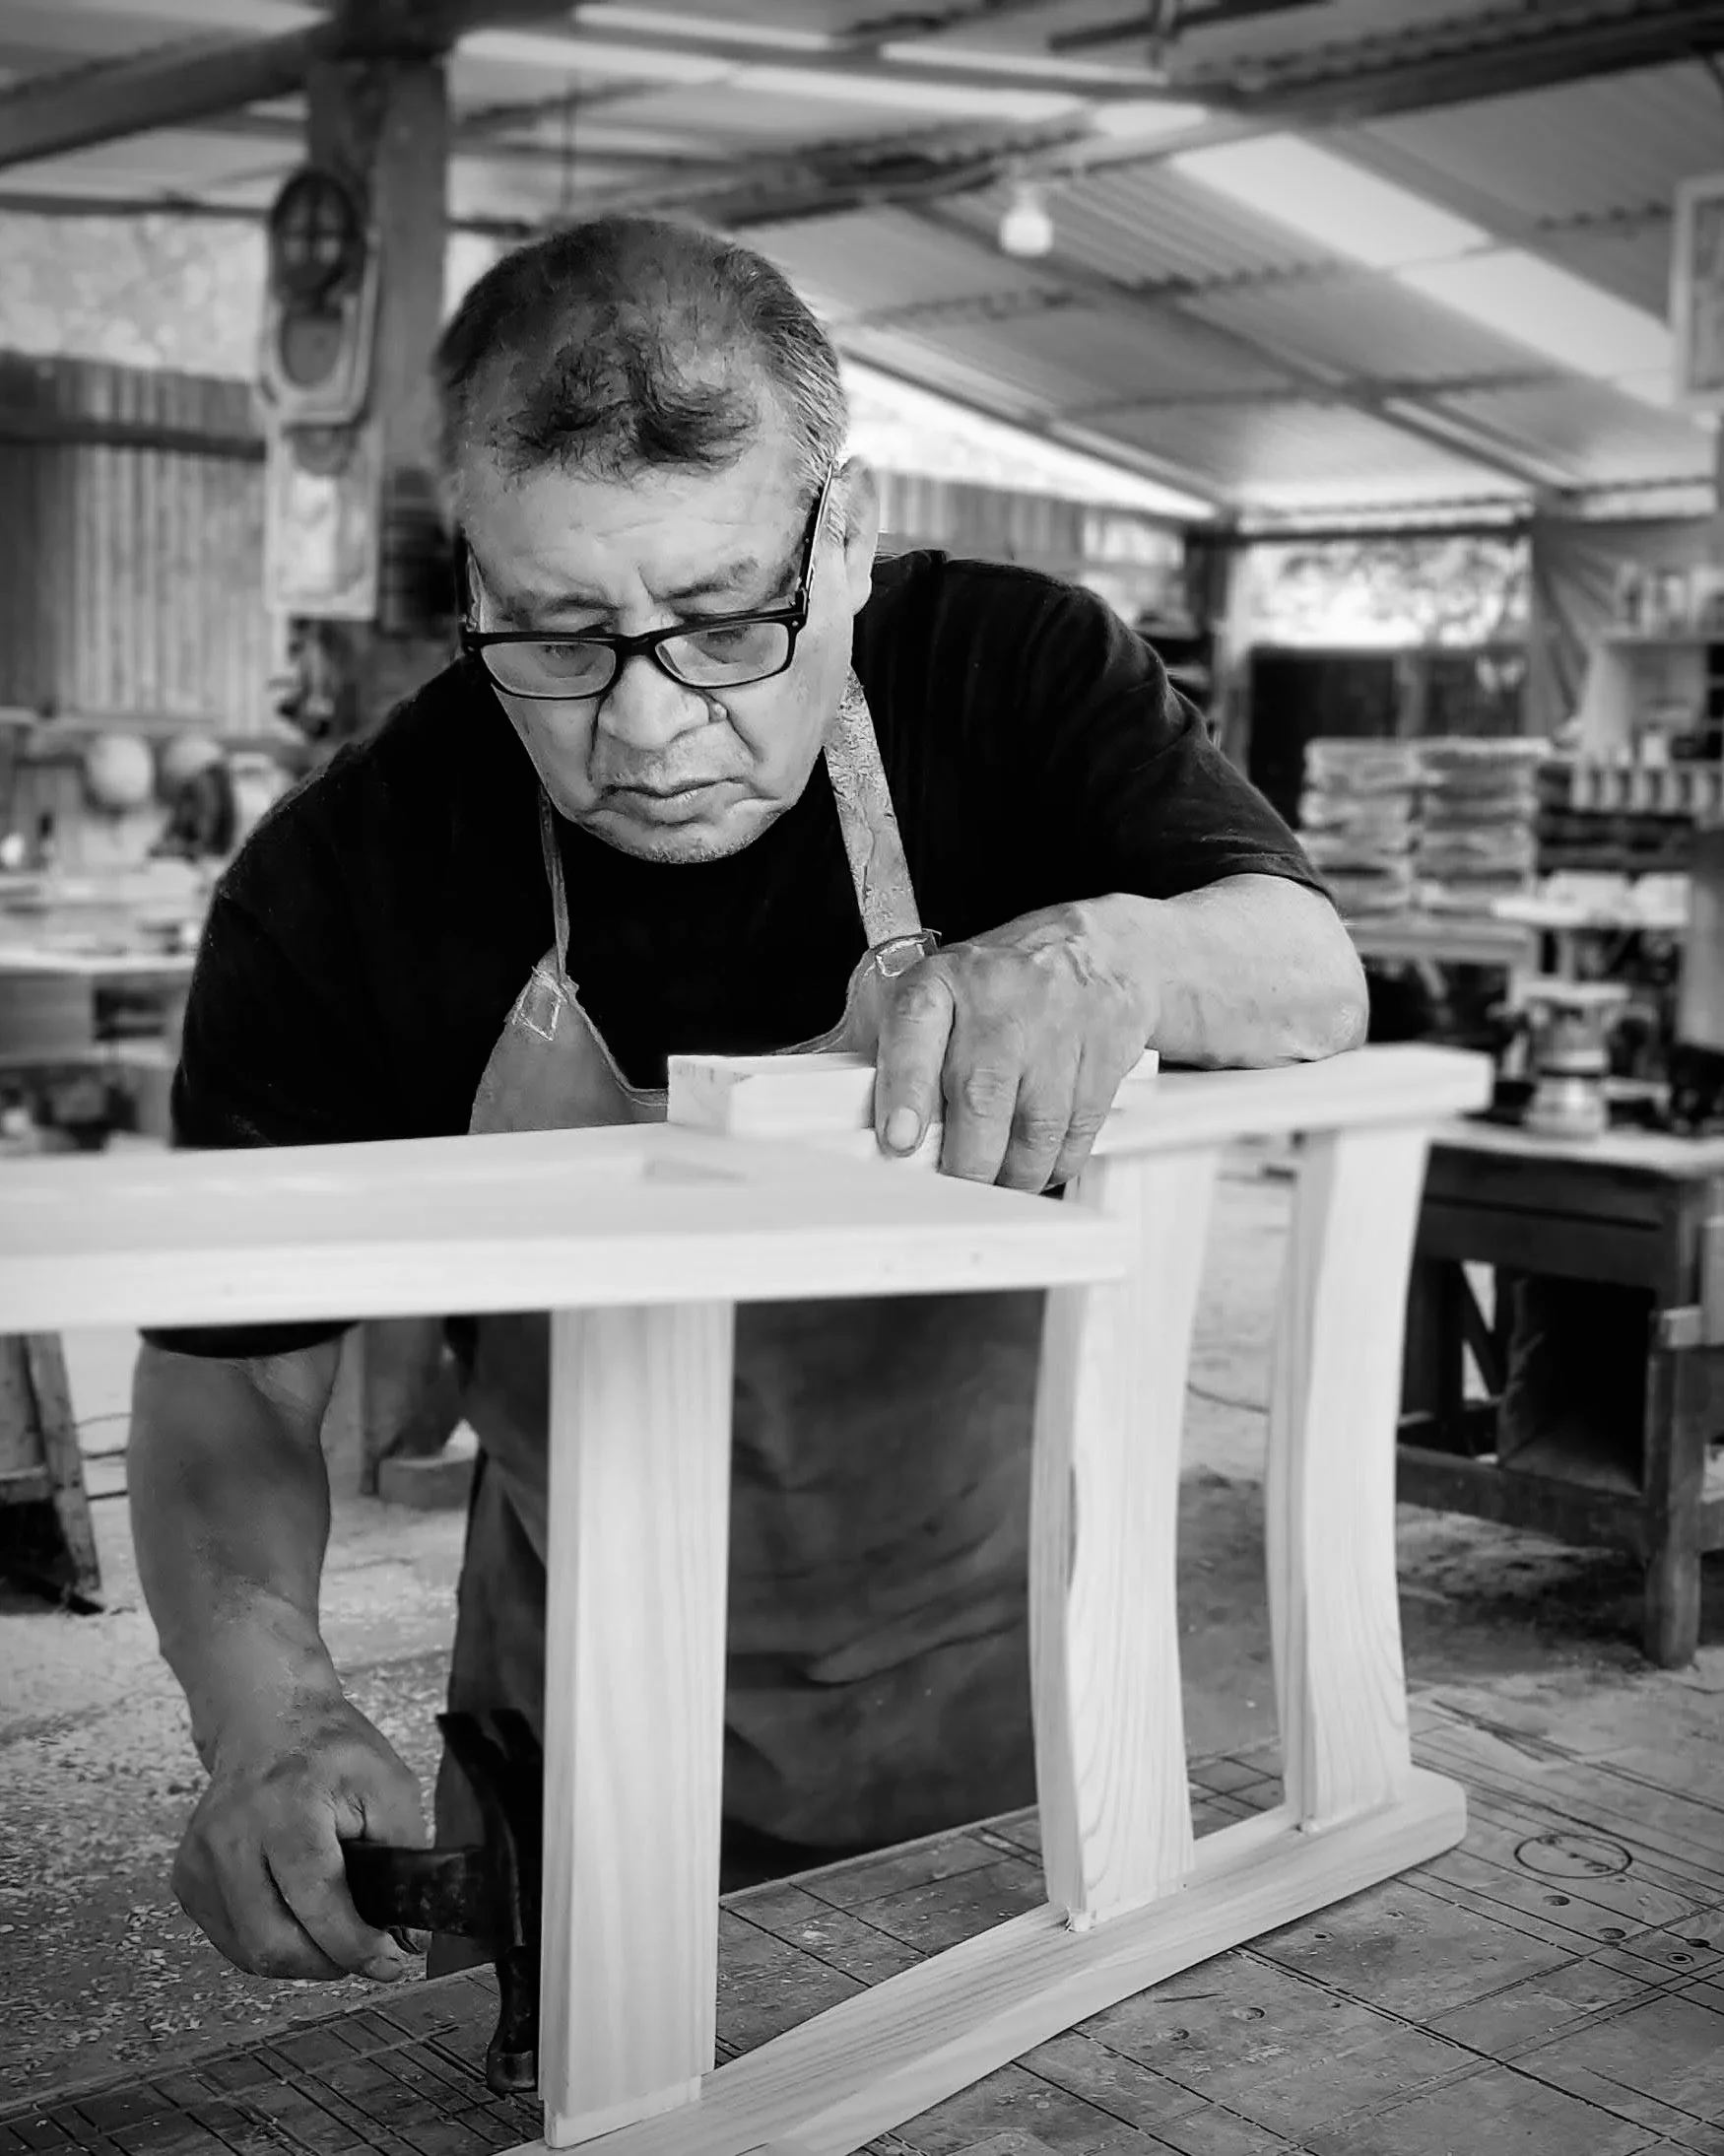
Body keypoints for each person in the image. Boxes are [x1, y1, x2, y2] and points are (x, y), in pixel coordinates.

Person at [128, 214, 1367, 1993]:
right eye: (557, 636)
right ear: (472, 574)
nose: (644, 732)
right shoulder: (347, 875)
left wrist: (1115, 949)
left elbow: (1308, 972)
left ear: (840, 538)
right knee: (592, 2069)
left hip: (1002, 1695)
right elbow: (233, 1373)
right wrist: (268, 1708)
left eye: (723, 625)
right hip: (577, 1717)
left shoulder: (1008, 678)